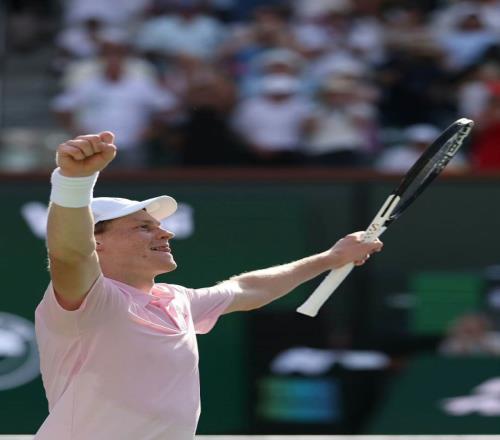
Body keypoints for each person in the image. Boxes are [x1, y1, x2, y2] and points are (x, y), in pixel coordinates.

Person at [34, 131, 383, 440]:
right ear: (96, 242)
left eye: (158, 226)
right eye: (143, 227)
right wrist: (74, 181)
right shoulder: (92, 300)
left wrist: (331, 257)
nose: (166, 233)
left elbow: (249, 289)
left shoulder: (178, 300)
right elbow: (70, 254)